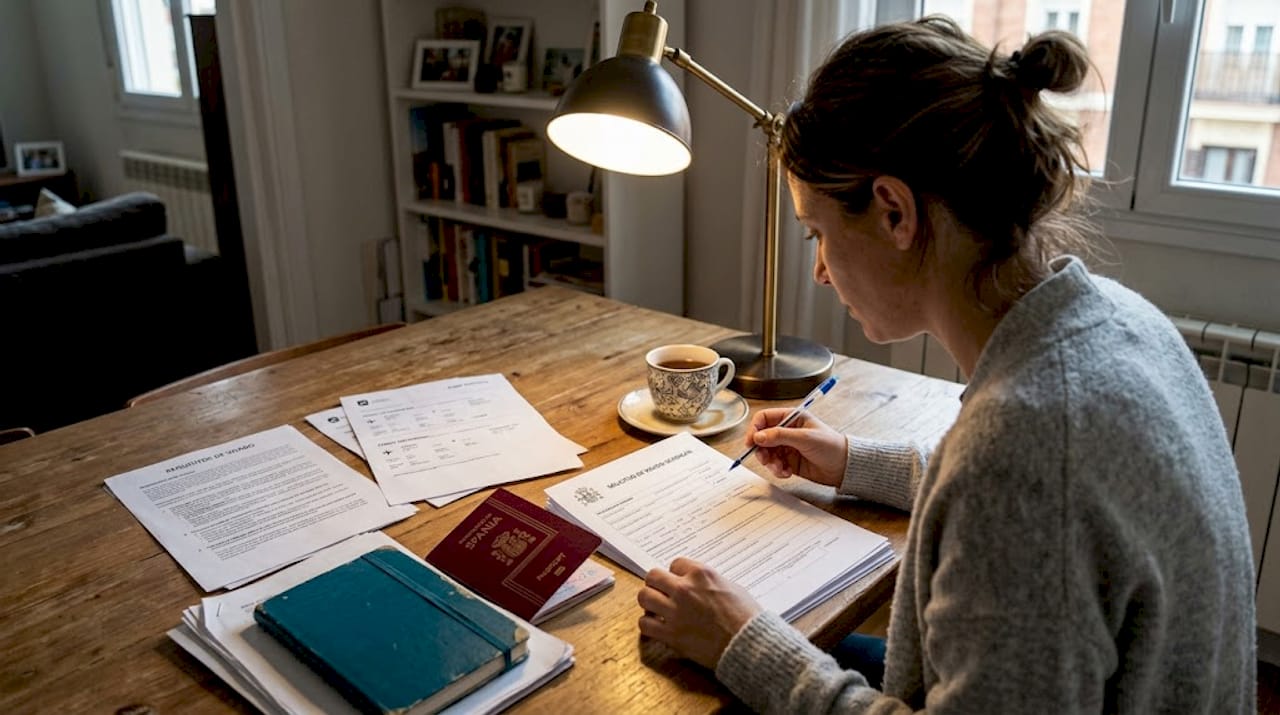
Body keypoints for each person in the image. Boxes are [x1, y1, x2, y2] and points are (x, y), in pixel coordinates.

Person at [636, 16, 1256, 713]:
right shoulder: (1118, 319)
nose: (817, 271)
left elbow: (1020, 492)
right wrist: (851, 461)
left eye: (817, 233)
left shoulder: (1024, 452)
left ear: (894, 211)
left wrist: (739, 639)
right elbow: (1035, 516)